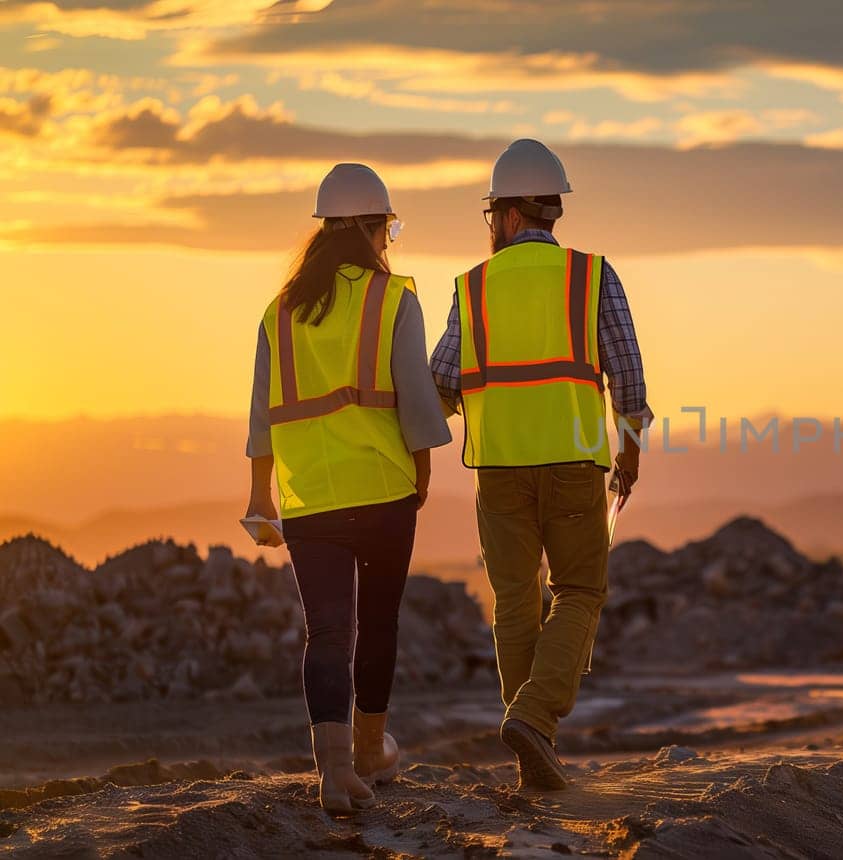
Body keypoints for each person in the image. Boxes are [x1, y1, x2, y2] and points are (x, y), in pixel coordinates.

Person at [430, 139, 651, 792]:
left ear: (506, 215)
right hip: (576, 467)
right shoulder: (591, 277)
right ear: (550, 211)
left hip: (498, 469)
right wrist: (629, 454)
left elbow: (440, 383)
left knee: (515, 604)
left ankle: (532, 745)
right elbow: (629, 377)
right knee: (580, 592)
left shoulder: (471, 287)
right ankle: (533, 717)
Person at [244, 163, 451, 814]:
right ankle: (369, 752)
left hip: (310, 496)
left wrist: (260, 495)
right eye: (387, 227)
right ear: (370, 227)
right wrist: (421, 472)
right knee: (379, 622)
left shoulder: (279, 313)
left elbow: (260, 414)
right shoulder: (394, 300)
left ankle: (333, 775)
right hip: (384, 488)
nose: (389, 240)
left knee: (327, 632)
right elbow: (418, 400)